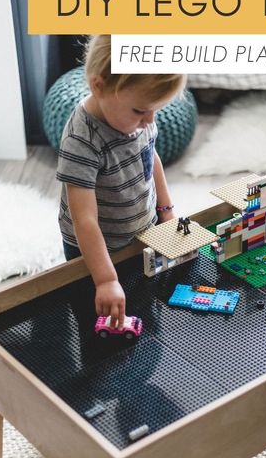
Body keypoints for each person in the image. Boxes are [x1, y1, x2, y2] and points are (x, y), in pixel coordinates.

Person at [56, 35, 185, 329]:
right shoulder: (81, 139)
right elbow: (84, 220)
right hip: (94, 250)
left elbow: (151, 159)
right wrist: (106, 279)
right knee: (102, 316)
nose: (149, 120)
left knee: (143, 300)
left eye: (156, 110)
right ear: (98, 86)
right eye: (140, 111)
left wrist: (166, 211)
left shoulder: (141, 120)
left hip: (142, 229)